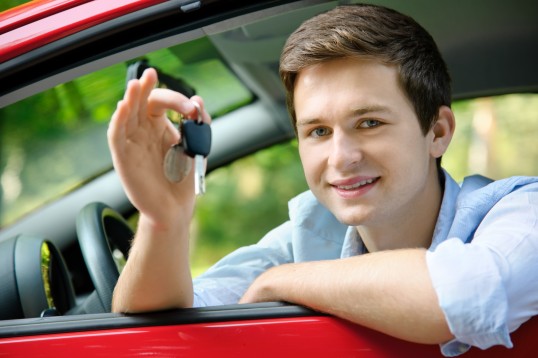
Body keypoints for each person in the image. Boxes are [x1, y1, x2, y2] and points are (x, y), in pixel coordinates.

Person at [108, 4, 538, 356]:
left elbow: (462, 299)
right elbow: (159, 323)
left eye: (369, 122)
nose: (341, 157)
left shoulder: (521, 210)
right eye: (318, 131)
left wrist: (280, 282)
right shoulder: (307, 235)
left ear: (438, 132)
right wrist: (162, 219)